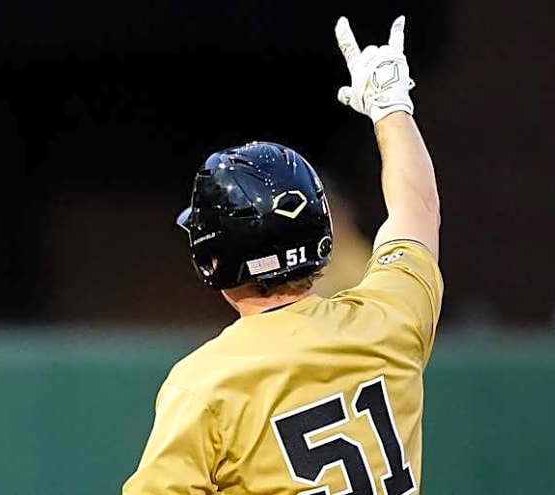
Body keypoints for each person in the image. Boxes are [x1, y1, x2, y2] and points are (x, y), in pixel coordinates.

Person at [122, 14, 442, 495]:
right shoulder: (387, 323)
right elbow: (417, 210)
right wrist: (392, 109)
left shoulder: (207, 385)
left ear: (212, 260)